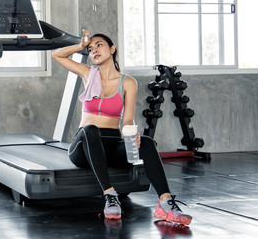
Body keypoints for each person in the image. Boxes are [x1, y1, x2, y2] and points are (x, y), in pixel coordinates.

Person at [52, 30, 192, 225]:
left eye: (99, 45)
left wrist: (132, 136)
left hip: (111, 143)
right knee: (90, 128)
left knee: (147, 142)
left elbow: (127, 120)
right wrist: (80, 46)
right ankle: (110, 195)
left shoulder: (128, 83)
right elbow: (56, 54)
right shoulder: (87, 74)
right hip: (84, 146)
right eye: (91, 49)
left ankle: (165, 202)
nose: (94, 51)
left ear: (112, 48)